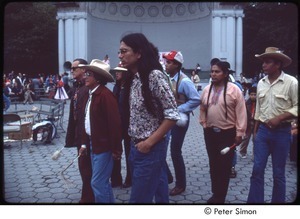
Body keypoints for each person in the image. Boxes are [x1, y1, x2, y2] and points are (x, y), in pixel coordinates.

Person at [118, 33, 180, 203]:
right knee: (159, 191)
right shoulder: (133, 78)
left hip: (149, 147)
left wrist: (149, 143)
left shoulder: (154, 76)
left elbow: (173, 114)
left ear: (138, 53)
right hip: (137, 145)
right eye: (120, 51)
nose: (120, 55)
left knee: (139, 199)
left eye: (124, 51)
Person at [247, 47, 298, 203]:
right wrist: (255, 133)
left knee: (278, 173)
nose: (263, 65)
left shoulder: (291, 82)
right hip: (262, 132)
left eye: (267, 62)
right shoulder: (261, 83)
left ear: (278, 65)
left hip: (282, 133)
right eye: (263, 62)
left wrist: (280, 117)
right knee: (257, 170)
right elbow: (258, 111)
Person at [199, 60, 247, 203]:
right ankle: (215, 193)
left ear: (225, 74)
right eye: (212, 71)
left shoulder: (234, 90)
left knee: (224, 166)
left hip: (228, 133)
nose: (213, 74)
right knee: (213, 164)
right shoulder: (207, 89)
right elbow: (202, 107)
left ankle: (221, 197)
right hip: (210, 133)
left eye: (217, 71)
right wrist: (204, 122)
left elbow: (241, 113)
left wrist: (240, 133)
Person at [78, 59, 122, 203]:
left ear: (98, 77)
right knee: (102, 182)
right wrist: (84, 144)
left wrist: (116, 149)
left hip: (104, 147)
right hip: (93, 144)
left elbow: (115, 125)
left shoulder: (106, 96)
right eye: (85, 73)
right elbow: (87, 121)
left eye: (88, 74)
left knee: (97, 182)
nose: (85, 76)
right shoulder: (91, 94)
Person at [163, 50, 201, 196]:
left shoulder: (185, 81)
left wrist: (180, 109)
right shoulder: (168, 78)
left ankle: (180, 184)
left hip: (180, 119)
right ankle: (167, 176)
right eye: (166, 61)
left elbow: (196, 99)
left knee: (175, 151)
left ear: (177, 65)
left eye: (169, 62)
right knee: (159, 147)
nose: (166, 65)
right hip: (168, 117)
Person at [65, 58, 94, 203]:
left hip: (85, 135)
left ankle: (88, 197)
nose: (72, 70)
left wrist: (83, 140)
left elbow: (86, 117)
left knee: (86, 166)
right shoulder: (78, 87)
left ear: (84, 69)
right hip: (79, 133)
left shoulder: (87, 88)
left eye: (75, 68)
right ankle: (88, 194)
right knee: (83, 166)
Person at [110, 64, 132, 188]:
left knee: (129, 153)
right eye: (116, 71)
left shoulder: (130, 88)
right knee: (115, 152)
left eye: (120, 71)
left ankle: (130, 178)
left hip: (128, 125)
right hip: (117, 125)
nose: (117, 73)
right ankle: (115, 179)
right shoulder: (116, 87)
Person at [239, 86, 257, 159]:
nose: (253, 96)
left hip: (256, 123)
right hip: (248, 123)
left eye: (255, 94)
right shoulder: (246, 103)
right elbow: (243, 114)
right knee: (246, 139)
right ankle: (243, 152)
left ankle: (255, 154)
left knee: (255, 139)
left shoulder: (259, 103)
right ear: (249, 95)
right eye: (251, 95)